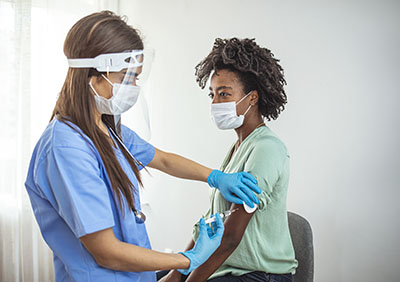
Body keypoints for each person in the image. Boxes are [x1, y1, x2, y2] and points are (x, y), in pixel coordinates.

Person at [24, 12, 263, 282]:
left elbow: (162, 159)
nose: (134, 87)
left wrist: (215, 177)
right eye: (127, 77)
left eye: (137, 77)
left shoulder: (106, 130)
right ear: (95, 76)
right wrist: (188, 259)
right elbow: (106, 251)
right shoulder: (66, 149)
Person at [158, 38, 298, 282]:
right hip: (228, 268)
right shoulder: (238, 148)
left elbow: (231, 236)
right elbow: (212, 220)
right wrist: (177, 273)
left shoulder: (266, 148)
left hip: (260, 276)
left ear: (252, 98)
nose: (215, 103)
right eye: (212, 94)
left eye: (224, 94)